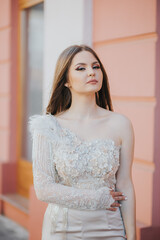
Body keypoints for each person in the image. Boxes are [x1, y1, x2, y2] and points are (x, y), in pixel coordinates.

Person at [28, 44, 136, 240]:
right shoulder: (48, 127)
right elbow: (43, 189)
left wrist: (132, 234)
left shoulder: (121, 124)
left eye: (96, 66)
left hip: (110, 227)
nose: (91, 72)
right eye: (81, 68)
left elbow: (125, 184)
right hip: (62, 229)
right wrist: (98, 198)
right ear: (66, 81)